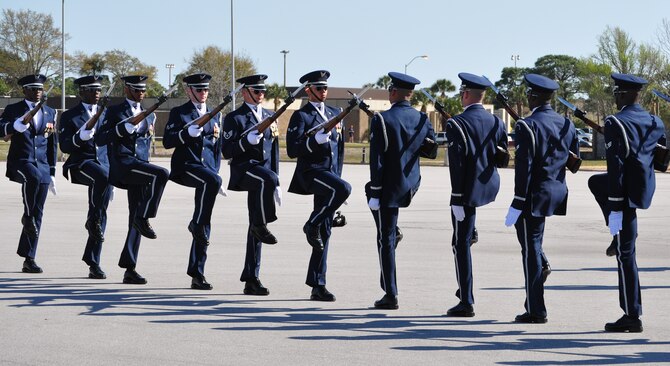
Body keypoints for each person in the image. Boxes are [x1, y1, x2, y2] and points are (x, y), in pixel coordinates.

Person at [588, 73, 666, 333]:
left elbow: (617, 167)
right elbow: (661, 161)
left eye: (616, 92)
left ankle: (631, 315)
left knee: (626, 255)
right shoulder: (655, 121)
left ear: (622, 94)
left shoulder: (616, 122)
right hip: (643, 190)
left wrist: (615, 209)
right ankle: (631, 312)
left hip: (624, 196)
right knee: (595, 182)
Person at [504, 73, 579, 323]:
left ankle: (536, 310)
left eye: (528, 94)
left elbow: (523, 168)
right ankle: (542, 263)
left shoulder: (527, 125)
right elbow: (574, 161)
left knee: (530, 250)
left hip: (533, 196)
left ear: (534, 96)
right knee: (531, 242)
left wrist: (517, 201)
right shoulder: (566, 124)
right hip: (556, 191)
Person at [366, 72, 436, 310]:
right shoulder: (422, 119)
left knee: (385, 238)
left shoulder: (381, 119)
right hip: (412, 183)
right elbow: (432, 151)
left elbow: (377, 161)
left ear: (393, 92)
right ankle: (393, 231)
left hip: (389, 187)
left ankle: (390, 293)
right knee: (385, 230)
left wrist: (375, 192)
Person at [445, 73, 507, 317]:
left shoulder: (456, 123)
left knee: (460, 244)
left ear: (467, 94)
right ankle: (472, 232)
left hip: (467, 191)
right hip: (488, 186)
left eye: (462, 93)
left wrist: (457, 198)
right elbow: (500, 156)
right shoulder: (496, 122)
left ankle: (466, 300)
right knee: (464, 238)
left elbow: (457, 166)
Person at [96, 75, 169, 285]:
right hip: (124, 166)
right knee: (162, 173)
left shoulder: (147, 115)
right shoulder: (114, 112)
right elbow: (100, 139)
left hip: (140, 166)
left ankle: (130, 267)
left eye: (143, 91)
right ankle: (146, 216)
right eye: (136, 90)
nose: (140, 94)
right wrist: (121, 129)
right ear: (126, 90)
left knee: (134, 218)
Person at [286, 70, 352, 302]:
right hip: (312, 173)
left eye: (325, 88)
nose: (323, 92)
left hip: (330, 175)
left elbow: (339, 151)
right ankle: (310, 224)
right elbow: (293, 150)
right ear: (308, 90)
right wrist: (314, 141)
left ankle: (317, 284)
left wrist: (337, 177)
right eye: (319, 88)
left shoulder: (335, 113)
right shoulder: (301, 116)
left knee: (325, 231)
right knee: (343, 190)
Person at [163, 73, 224, 290]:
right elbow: (169, 141)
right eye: (199, 90)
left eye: (205, 89)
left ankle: (197, 273)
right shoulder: (179, 113)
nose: (203, 93)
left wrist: (217, 174)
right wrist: (186, 133)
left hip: (208, 173)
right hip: (186, 168)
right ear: (189, 91)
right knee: (201, 222)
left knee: (205, 222)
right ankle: (195, 224)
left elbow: (217, 148)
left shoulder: (215, 115)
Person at [221, 74, 280, 296]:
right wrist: (246, 142)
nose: (261, 95)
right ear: (245, 92)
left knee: (254, 222)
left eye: (263, 91)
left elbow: (274, 151)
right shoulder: (234, 118)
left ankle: (251, 277)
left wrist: (277, 181)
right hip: (244, 172)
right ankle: (263, 223)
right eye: (256, 91)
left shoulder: (269, 116)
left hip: (264, 177)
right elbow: (227, 151)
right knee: (258, 221)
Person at [0, 74, 57, 273]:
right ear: (24, 91)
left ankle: (29, 257)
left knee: (38, 213)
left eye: (39, 89)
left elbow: (51, 143)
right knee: (32, 179)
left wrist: (52, 172)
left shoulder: (50, 112)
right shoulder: (13, 109)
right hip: (20, 162)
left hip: (41, 165)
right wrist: (14, 126)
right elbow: (1, 129)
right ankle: (27, 216)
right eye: (32, 89)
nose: (37, 92)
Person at [58, 75, 113, 279]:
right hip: (81, 163)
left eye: (98, 90)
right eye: (91, 90)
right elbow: (65, 146)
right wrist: (80, 136)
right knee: (100, 189)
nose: (96, 93)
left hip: (105, 168)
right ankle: (93, 220)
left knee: (100, 213)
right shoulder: (69, 116)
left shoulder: (107, 114)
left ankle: (93, 261)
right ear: (81, 92)